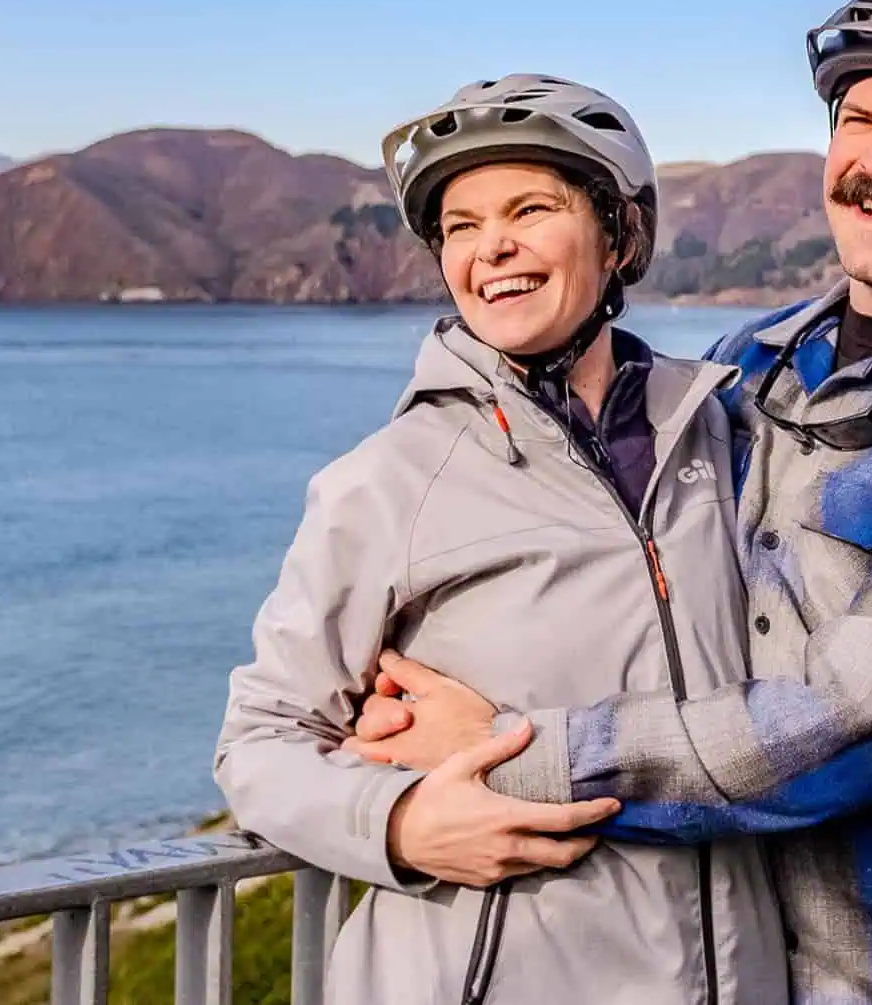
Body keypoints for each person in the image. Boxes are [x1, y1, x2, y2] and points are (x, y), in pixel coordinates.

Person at [348, 0, 872, 1004]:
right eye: (860, 120)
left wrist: (506, 747)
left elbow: (835, 730)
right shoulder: (750, 366)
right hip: (759, 969)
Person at [213, 75, 788, 1005]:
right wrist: (396, 823)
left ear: (618, 234)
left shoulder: (721, 435)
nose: (493, 249)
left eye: (531, 208)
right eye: (462, 226)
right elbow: (259, 738)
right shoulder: (394, 476)